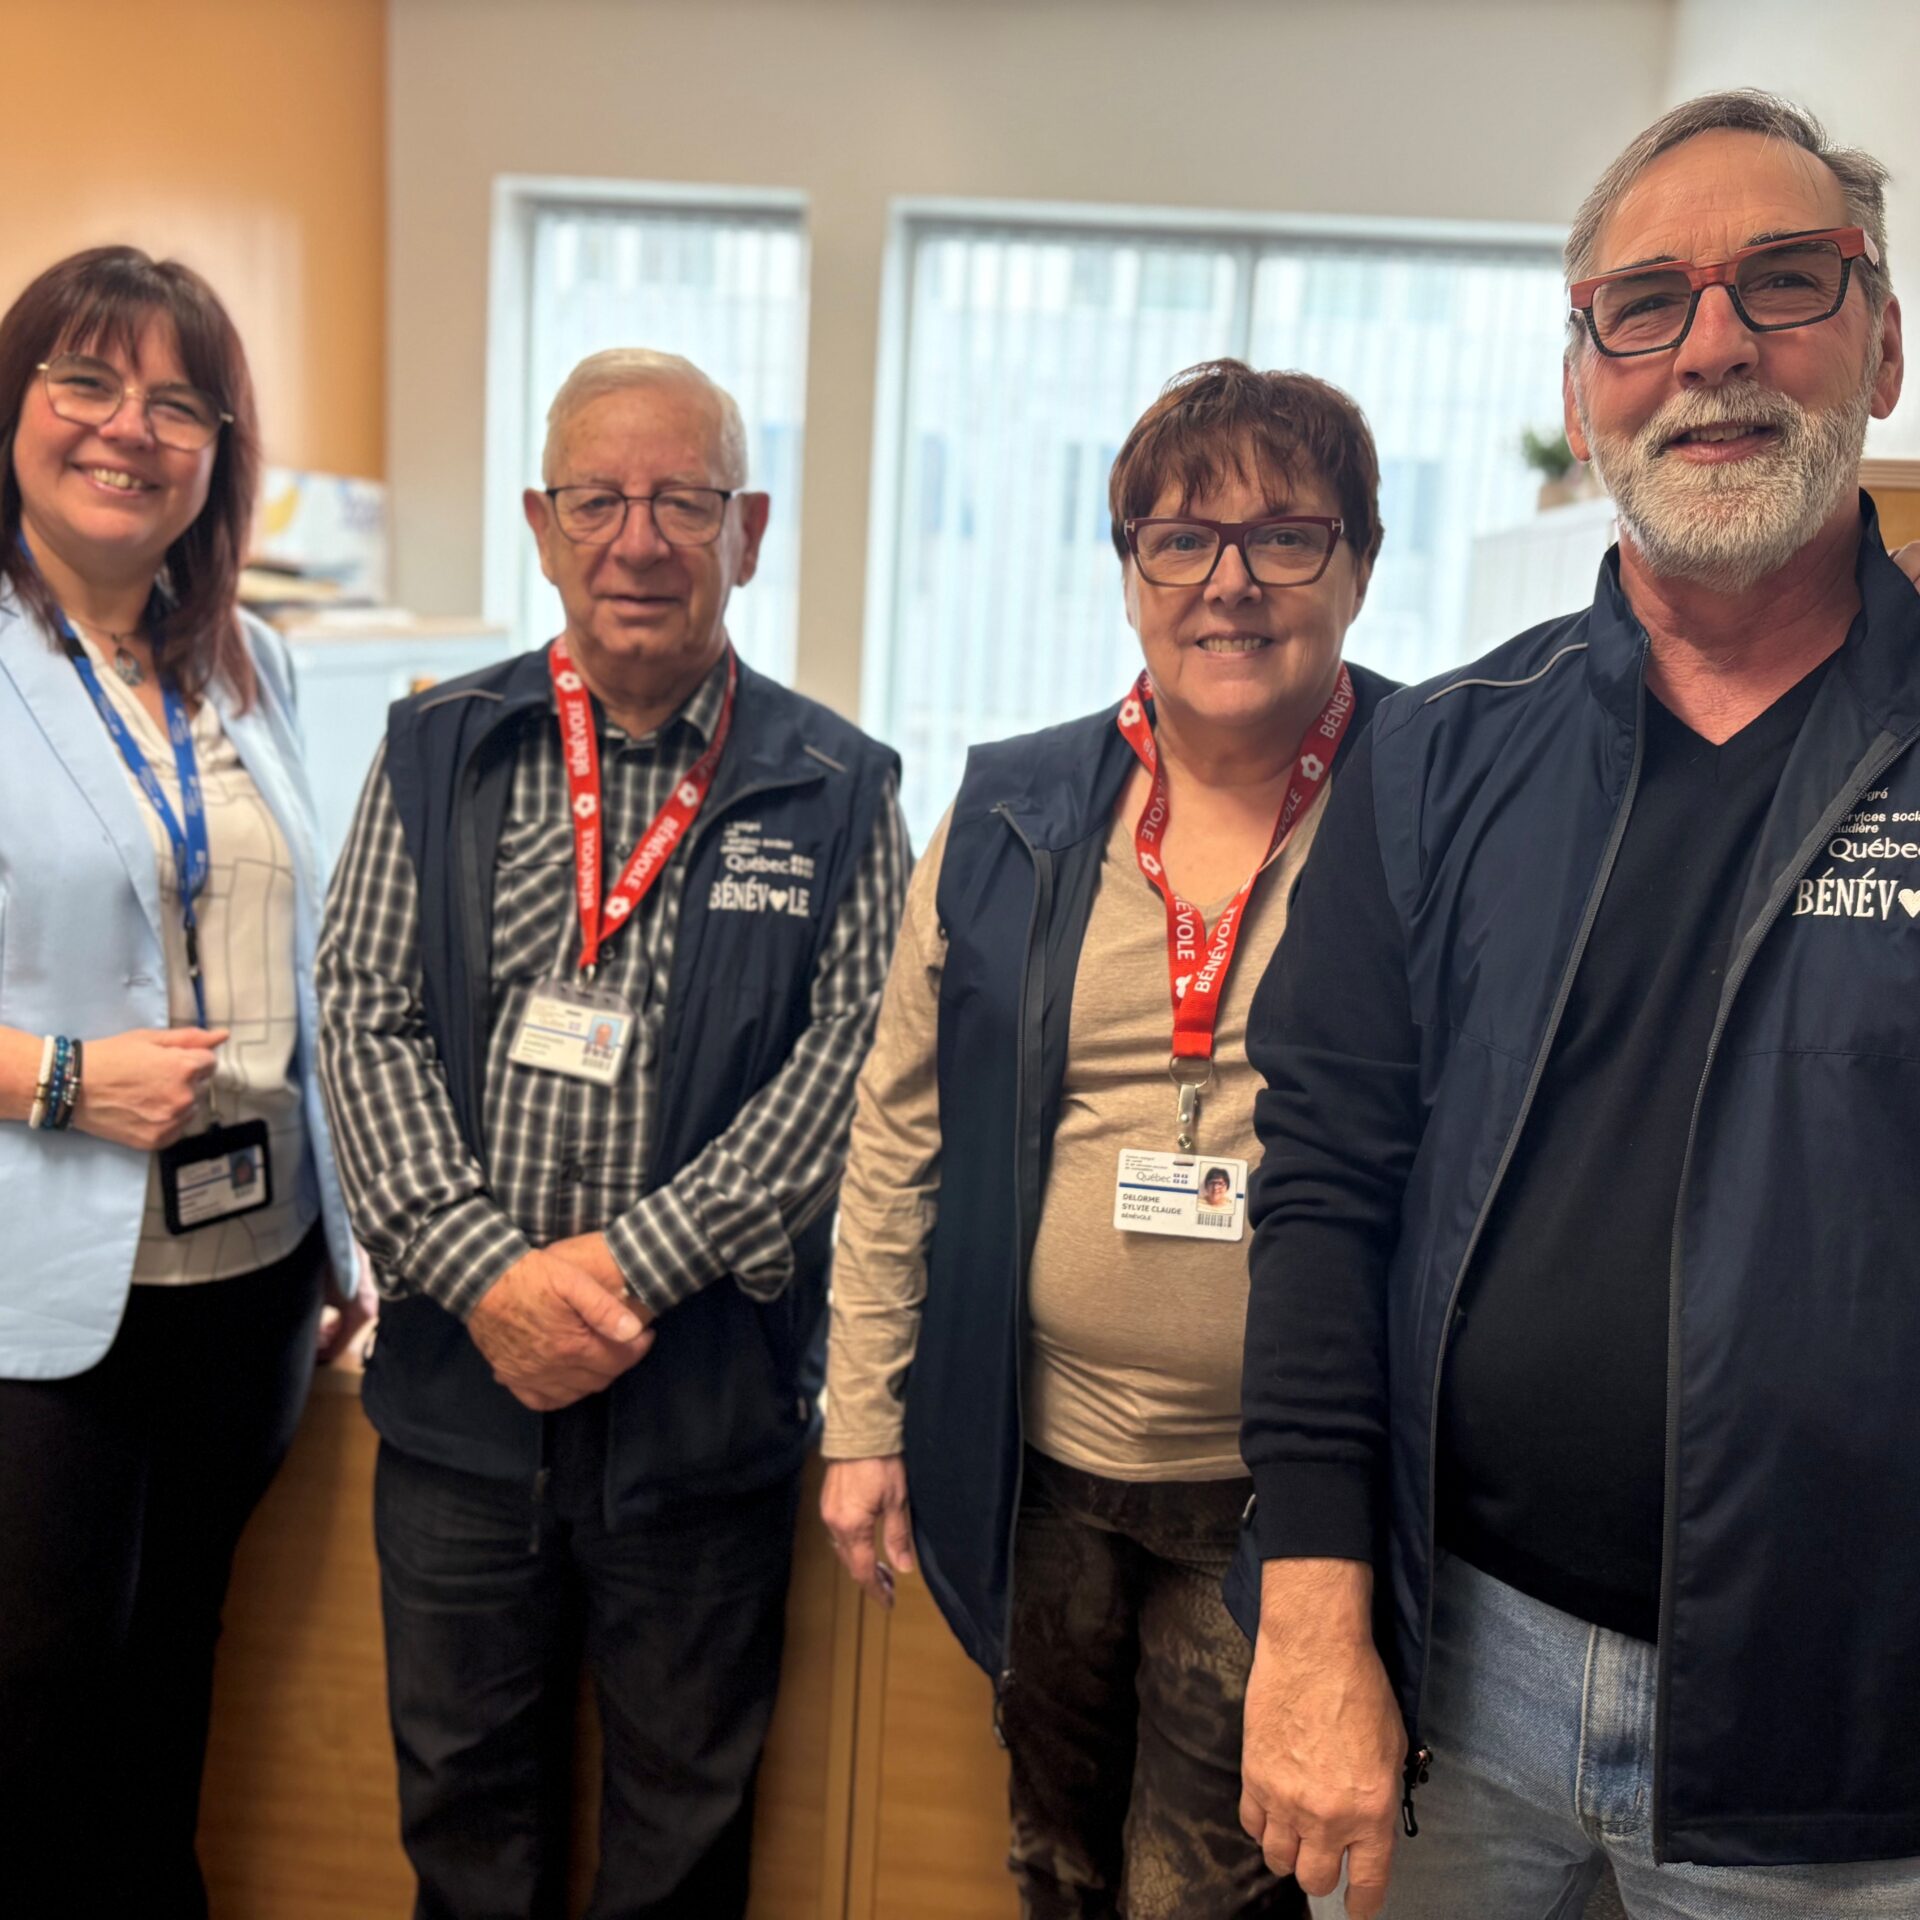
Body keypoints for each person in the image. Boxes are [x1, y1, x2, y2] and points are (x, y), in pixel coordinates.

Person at [1235, 91, 1920, 1919]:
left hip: (1842, 1750)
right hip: (1452, 1677)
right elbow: (1322, 1187)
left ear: (1884, 341)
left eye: (1785, 282)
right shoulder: (1435, 756)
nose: (1713, 348)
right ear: (1583, 377)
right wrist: (1311, 1624)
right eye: (1647, 304)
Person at [317, 347, 905, 1918]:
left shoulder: (838, 787)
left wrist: (628, 1269)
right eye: (600, 498)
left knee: (683, 1841)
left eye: (683, 501)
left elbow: (852, 1069)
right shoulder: (434, 748)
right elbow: (362, 1013)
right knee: (461, 1822)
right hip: (456, 1411)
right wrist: (490, 1277)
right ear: (542, 519)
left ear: (750, 526)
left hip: (703, 1413)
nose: (638, 538)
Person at [821, 360, 1397, 1919]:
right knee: (1058, 1856)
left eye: (1286, 536)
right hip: (1040, 1462)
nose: (1230, 585)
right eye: (1178, 539)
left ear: (1360, 562)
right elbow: (900, 1136)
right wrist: (864, 1417)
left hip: (1291, 1495)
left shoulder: (1431, 797)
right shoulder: (1013, 810)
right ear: (1128, 566)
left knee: (1211, 1891)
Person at [0, 245, 360, 1919]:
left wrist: (348, 1246)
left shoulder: (253, 664)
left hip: (246, 1277)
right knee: (41, 1715)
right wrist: (61, 1076)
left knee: (166, 1701)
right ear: (16, 403)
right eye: (86, 382)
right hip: (39, 1300)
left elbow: (302, 962)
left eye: (177, 401)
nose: (128, 430)